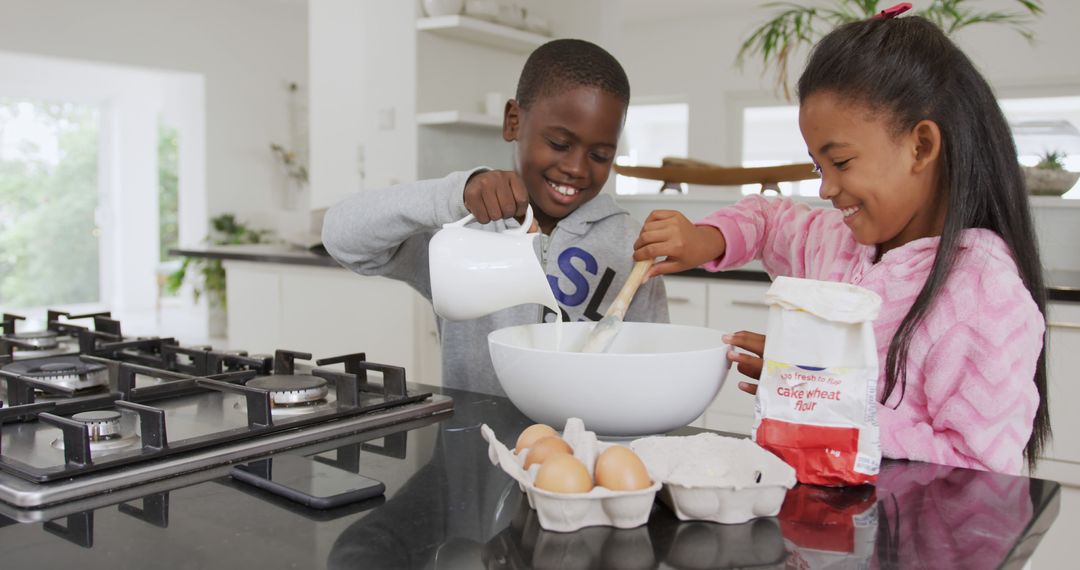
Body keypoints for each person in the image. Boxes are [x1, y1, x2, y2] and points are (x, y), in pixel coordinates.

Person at [633, 15, 1047, 475]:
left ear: (921, 146)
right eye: (818, 168)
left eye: (842, 162)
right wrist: (704, 239)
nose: (826, 189)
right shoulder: (836, 242)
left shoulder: (982, 295)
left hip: (900, 539)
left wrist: (818, 392)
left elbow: (980, 468)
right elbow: (769, 220)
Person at [323, 39, 668, 396]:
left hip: (588, 447)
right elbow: (342, 238)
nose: (576, 168)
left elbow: (654, 367)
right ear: (513, 122)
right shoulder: (461, 230)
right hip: (472, 445)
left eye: (599, 155)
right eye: (560, 144)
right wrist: (454, 194)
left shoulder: (632, 246)